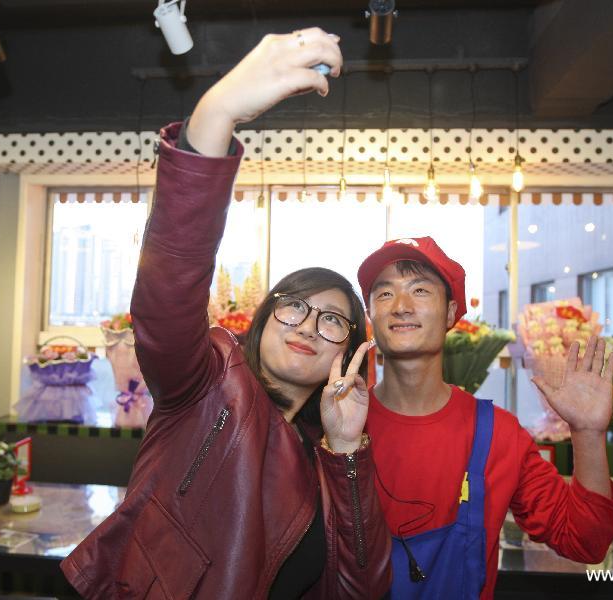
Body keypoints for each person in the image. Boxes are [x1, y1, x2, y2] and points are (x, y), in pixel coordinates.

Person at [61, 29, 392, 599]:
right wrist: (214, 117)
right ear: (262, 323)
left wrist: (343, 449)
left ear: (350, 355)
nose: (310, 326)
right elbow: (169, 290)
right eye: (295, 307)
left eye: (334, 321)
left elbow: (362, 587)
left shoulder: (330, 458)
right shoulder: (207, 382)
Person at [357, 236, 613, 599]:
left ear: (452, 312)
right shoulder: (338, 424)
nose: (401, 306)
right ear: (370, 315)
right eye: (384, 293)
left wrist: (587, 432)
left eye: (420, 290)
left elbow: (584, 542)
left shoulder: (498, 434)